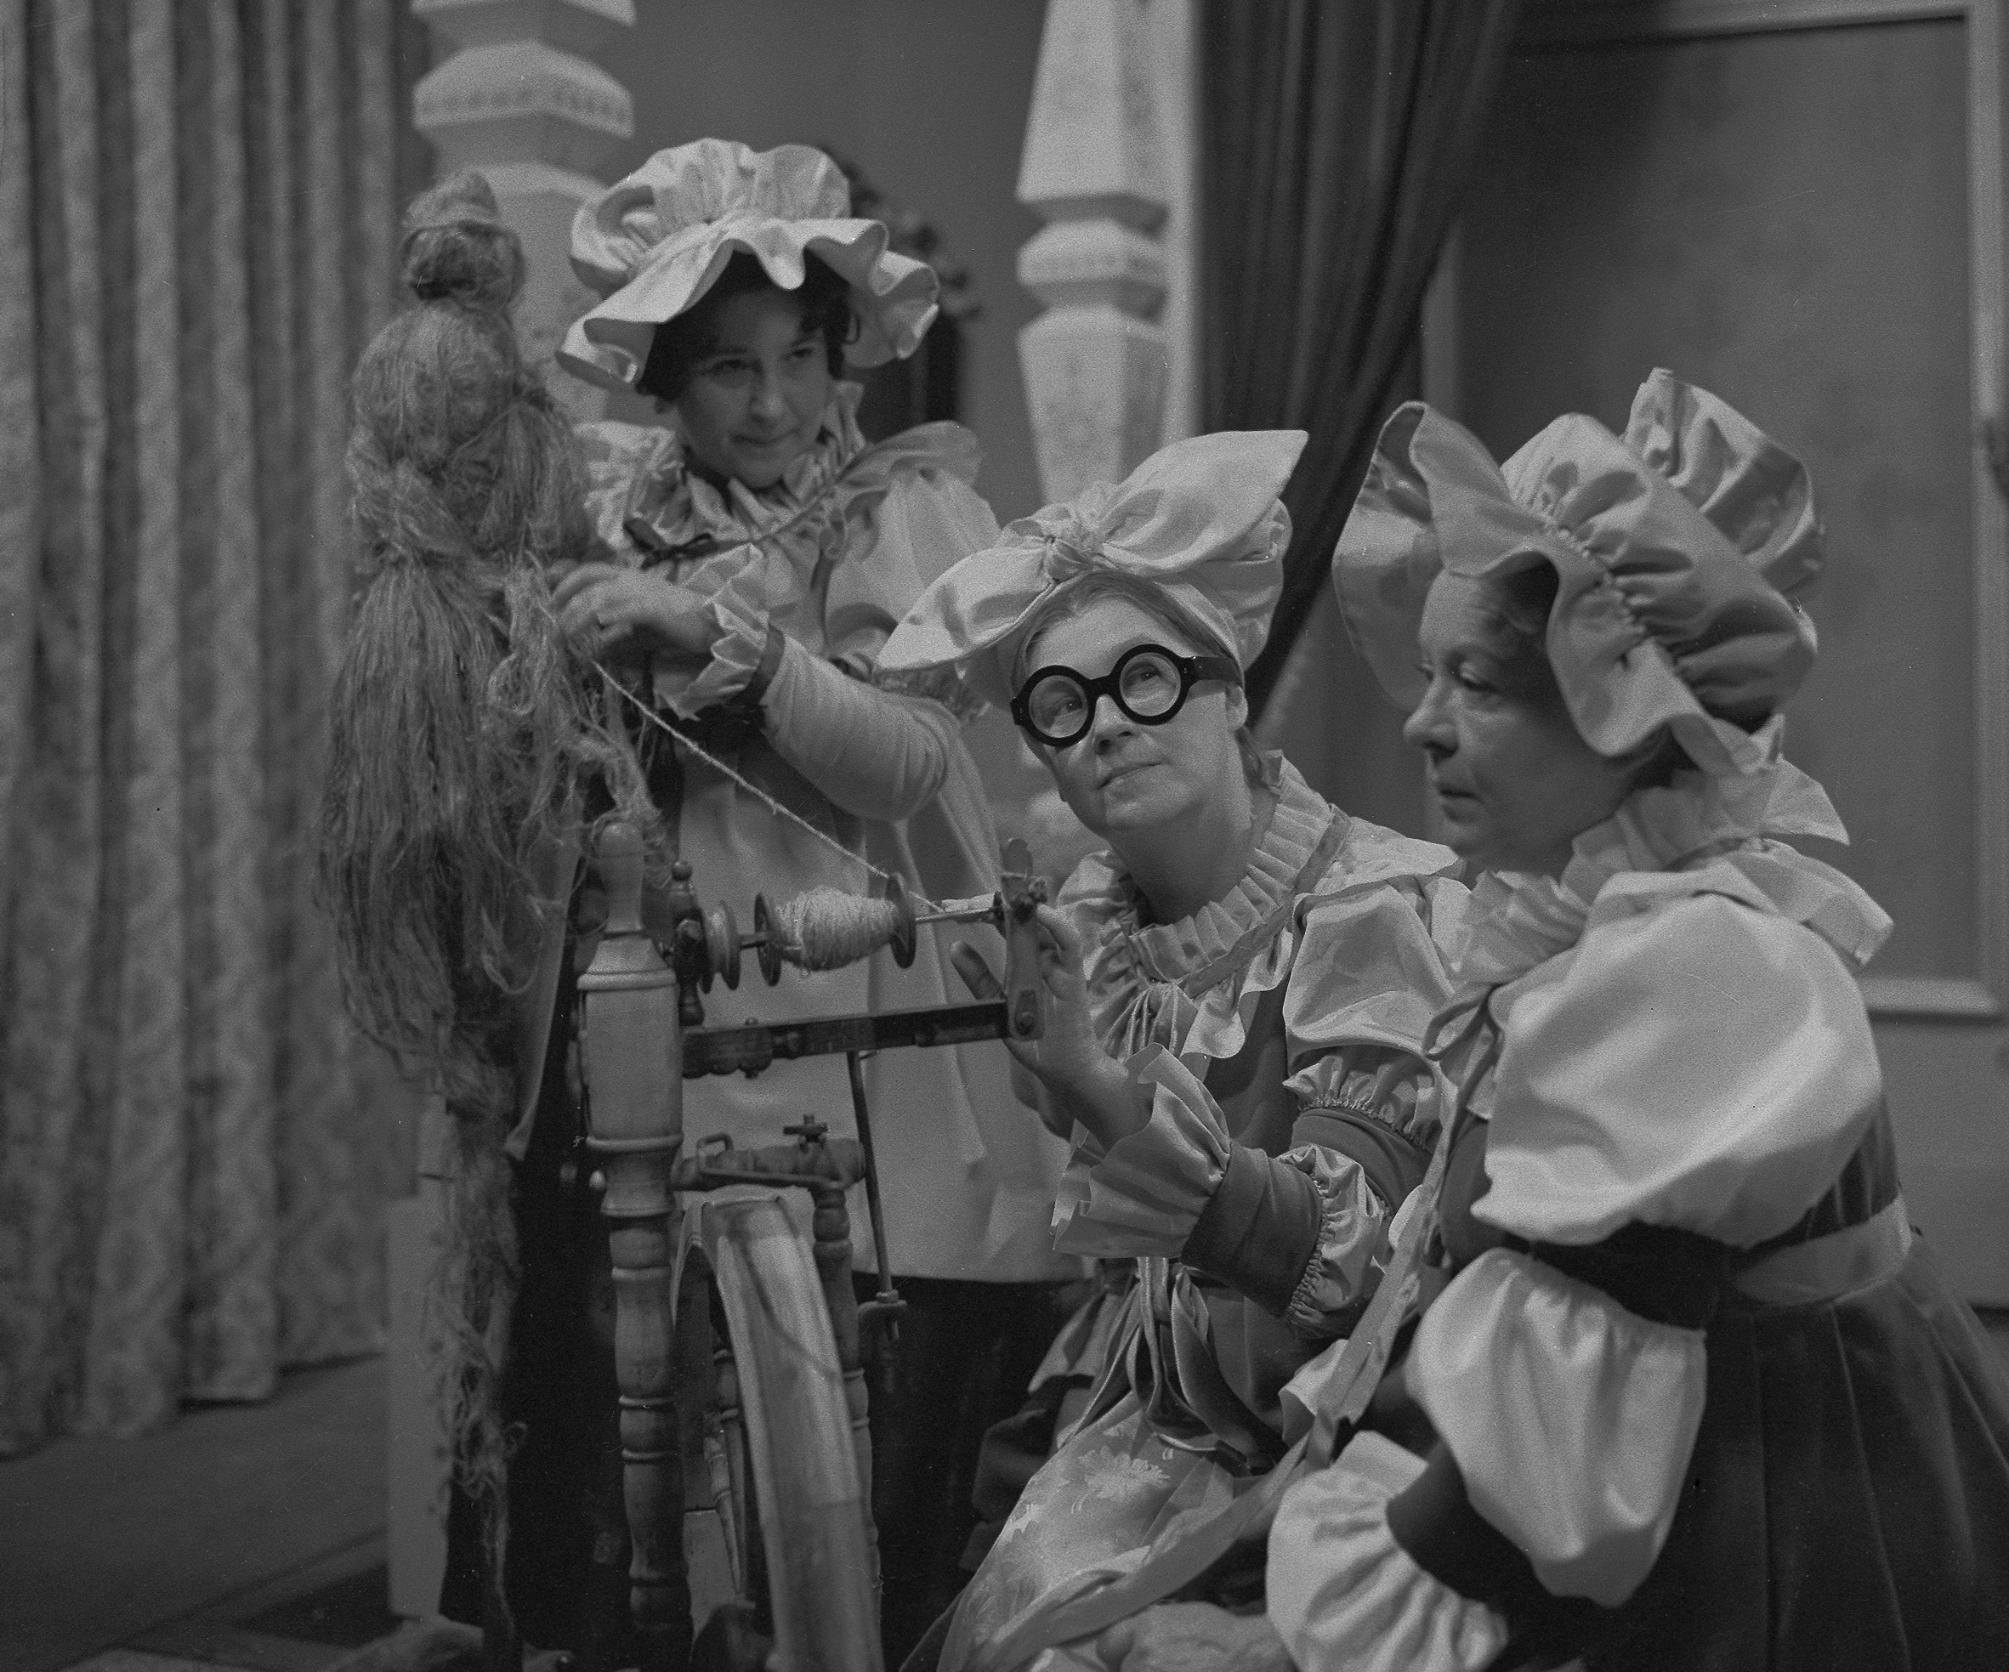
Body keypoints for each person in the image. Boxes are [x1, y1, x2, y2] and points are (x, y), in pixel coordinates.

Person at [1149, 369, 2009, 1672]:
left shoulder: (1690, 970)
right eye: (1429, 674)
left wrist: (1286, 1643)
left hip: (1784, 1522)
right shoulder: (1604, 925)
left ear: (1628, 708)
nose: (1424, 725)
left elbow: (1557, 1473)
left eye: (1482, 685)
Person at [407, 139, 1079, 1666]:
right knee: (653, 1424)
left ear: (841, 359)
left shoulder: (895, 512)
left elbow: (909, 761)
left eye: (799, 359)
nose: (773, 403)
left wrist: (724, 639)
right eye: (728, 367)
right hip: (670, 999)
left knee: (863, 1459)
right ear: (666, 379)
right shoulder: (613, 514)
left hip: (866, 1011)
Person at [877, 430, 1468, 1670]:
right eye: (1061, 705)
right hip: (1149, 1408)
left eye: (1143, 678)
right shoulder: (1093, 930)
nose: (1104, 727)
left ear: (1230, 689)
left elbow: (1344, 1269)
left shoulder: (1367, 909)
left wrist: (1102, 1091)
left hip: (1339, 1429)